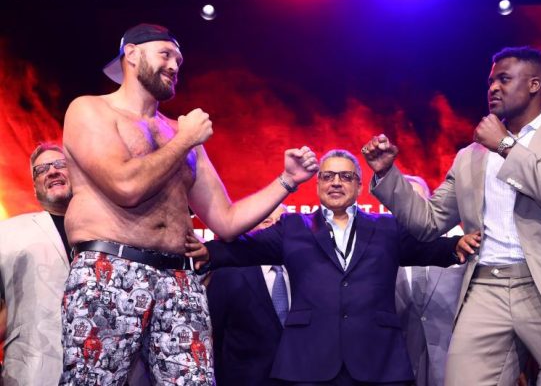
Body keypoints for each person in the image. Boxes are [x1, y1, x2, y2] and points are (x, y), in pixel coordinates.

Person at [60, 23, 317, 385]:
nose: (174, 66)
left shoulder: (180, 134)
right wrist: (184, 141)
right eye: (165, 54)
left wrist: (286, 181)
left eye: (179, 60)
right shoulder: (91, 110)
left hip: (181, 279)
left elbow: (225, 221)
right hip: (109, 268)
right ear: (131, 54)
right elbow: (125, 185)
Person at [362, 46, 541, 385]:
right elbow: (428, 223)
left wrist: (505, 147)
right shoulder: (470, 155)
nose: (493, 88)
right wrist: (388, 175)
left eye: (504, 79)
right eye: (490, 82)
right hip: (485, 287)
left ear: (534, 84)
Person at [204, 149, 470, 385]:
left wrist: (457, 245)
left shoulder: (387, 228)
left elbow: (431, 249)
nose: (336, 183)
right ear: (317, 183)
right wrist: (207, 252)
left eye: (345, 177)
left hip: (377, 361)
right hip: (309, 363)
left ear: (359, 185)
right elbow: (241, 249)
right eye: (328, 176)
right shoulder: (293, 227)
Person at [0, 143, 72, 385]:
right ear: (34, 186)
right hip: (34, 372)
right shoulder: (7, 233)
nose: (52, 171)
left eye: (60, 164)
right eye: (41, 170)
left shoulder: (114, 231)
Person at [207, 204, 289, 386]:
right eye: (267, 221)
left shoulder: (306, 272)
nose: (275, 228)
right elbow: (214, 337)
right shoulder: (227, 275)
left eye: (282, 223)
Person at [395, 175, 466, 386]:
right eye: (404, 203)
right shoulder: (381, 245)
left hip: (448, 351)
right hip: (399, 355)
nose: (410, 210)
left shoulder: (459, 240)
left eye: (416, 201)